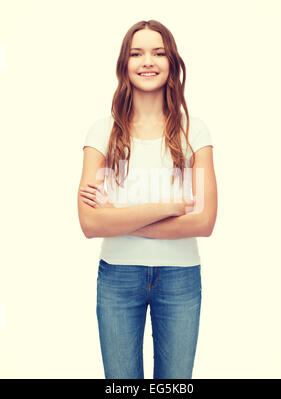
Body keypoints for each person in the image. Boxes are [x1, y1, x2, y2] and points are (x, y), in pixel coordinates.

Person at [77, 20, 218, 379]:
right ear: (124, 64)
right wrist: (171, 207)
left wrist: (120, 218)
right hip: (118, 278)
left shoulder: (194, 131)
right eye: (136, 53)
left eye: (158, 52)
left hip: (180, 278)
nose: (147, 61)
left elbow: (204, 222)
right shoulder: (102, 132)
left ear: (172, 62)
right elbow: (91, 224)